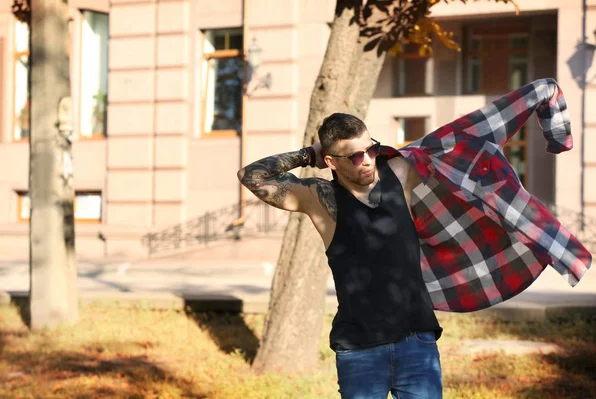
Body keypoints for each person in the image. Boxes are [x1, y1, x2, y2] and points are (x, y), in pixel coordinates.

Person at [237, 78, 592, 399]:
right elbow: (252, 175)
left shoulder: (400, 172)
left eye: (371, 149)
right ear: (332, 161)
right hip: (360, 352)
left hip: (417, 344)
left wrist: (543, 100)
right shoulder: (319, 199)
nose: (367, 161)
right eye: (355, 155)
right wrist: (306, 155)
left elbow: (465, 136)